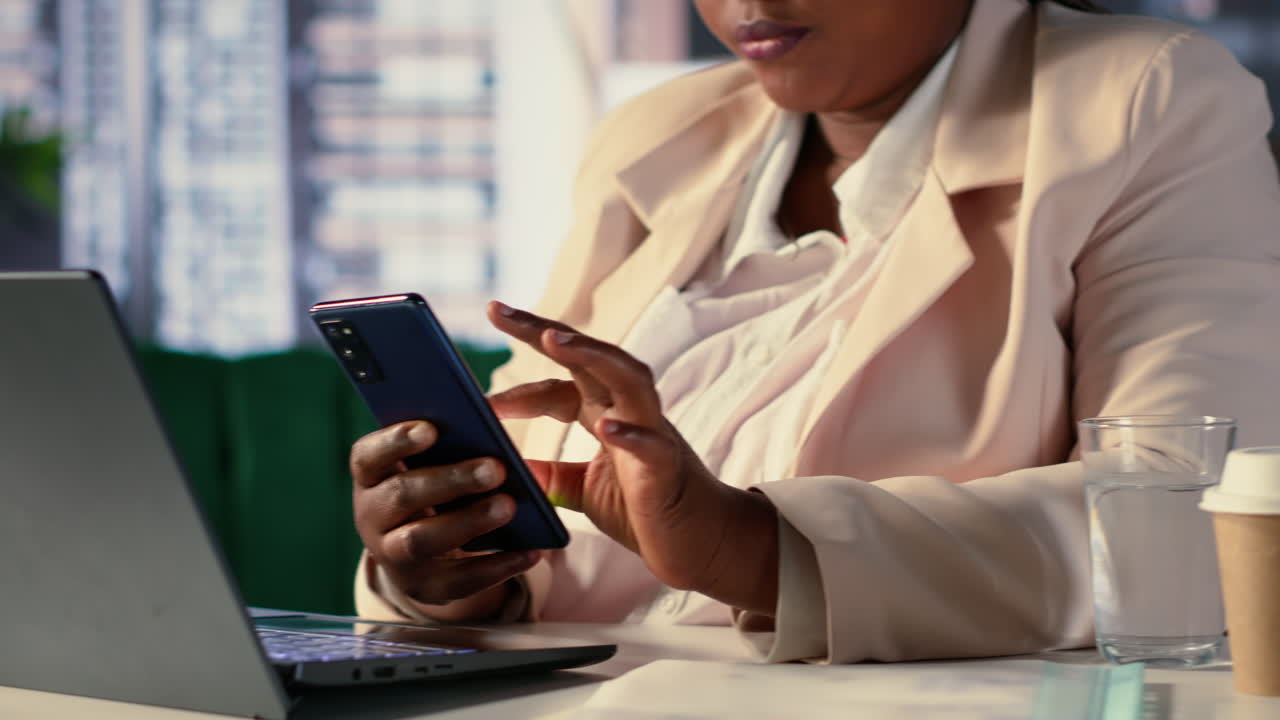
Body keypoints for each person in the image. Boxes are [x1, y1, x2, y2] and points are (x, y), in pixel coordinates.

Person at [349, 0, 1280, 663]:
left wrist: (754, 547)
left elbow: (1189, 515)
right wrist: (456, 575)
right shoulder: (656, 133)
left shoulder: (1142, 98)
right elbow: (543, 529)